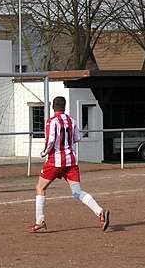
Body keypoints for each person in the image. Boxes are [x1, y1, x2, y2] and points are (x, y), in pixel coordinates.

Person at [30, 96, 110, 233]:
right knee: (77, 192)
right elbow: (77, 138)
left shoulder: (51, 121)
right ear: (64, 107)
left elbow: (50, 141)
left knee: (40, 188)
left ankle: (40, 221)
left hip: (55, 161)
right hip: (71, 161)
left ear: (53, 107)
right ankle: (100, 212)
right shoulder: (72, 121)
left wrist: (44, 152)